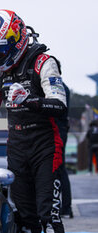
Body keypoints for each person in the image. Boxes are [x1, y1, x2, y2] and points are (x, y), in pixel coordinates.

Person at [0, 9, 66, 232]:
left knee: (48, 217)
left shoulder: (43, 62)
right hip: (17, 145)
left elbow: (60, 106)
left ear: (16, 41)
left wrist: (29, 100)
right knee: (24, 216)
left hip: (45, 145)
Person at [56, 83, 73, 218]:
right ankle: (66, 207)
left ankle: (66, 208)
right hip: (61, 128)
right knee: (60, 169)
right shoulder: (64, 87)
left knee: (59, 168)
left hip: (57, 129)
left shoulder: (57, 86)